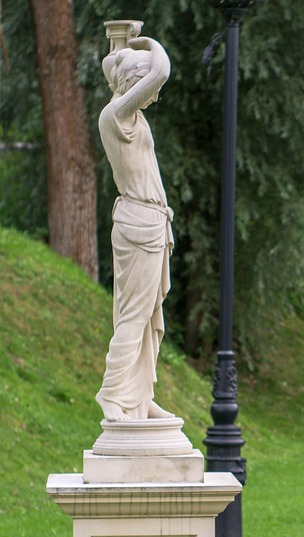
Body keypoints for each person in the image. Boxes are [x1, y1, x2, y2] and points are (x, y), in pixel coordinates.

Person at [95, 36, 175, 422]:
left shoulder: (129, 113)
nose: (155, 96)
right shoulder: (116, 115)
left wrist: (125, 42)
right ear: (136, 82)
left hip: (151, 223)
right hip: (140, 224)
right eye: (150, 89)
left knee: (147, 317)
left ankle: (139, 397)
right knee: (134, 315)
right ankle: (112, 393)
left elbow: (113, 65)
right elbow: (161, 70)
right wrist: (147, 42)